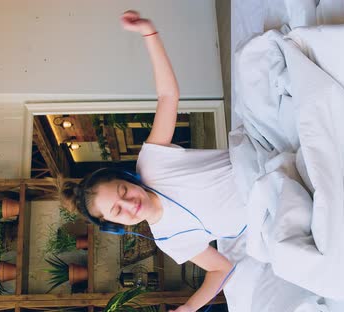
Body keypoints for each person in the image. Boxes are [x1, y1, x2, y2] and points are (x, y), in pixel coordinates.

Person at [59, 10, 244, 312]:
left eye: (122, 192)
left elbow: (168, 95)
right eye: (118, 210)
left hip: (265, 164)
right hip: (269, 215)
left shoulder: (153, 162)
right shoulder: (169, 240)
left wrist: (149, 33)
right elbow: (221, 269)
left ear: (126, 178)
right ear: (114, 225)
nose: (130, 203)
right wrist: (188, 308)